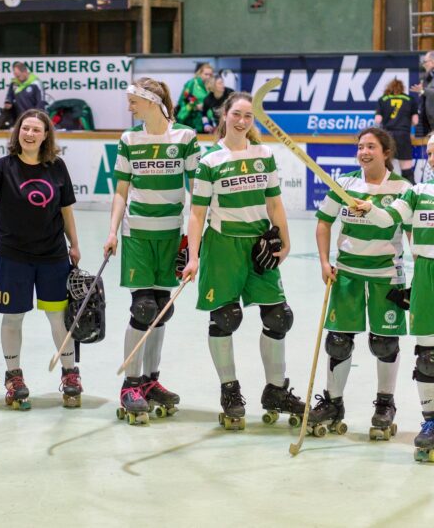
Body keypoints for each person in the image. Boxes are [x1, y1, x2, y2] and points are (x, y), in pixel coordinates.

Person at [182, 92, 305, 430]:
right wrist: (192, 257)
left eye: (248, 116)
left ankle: (276, 390)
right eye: (236, 114)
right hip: (223, 246)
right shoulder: (210, 161)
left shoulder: (264, 155)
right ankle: (230, 391)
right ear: (225, 115)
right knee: (225, 318)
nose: (241, 121)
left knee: (279, 317)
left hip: (258, 244)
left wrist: (286, 241)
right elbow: (197, 214)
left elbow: (274, 204)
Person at [0, 109, 81, 410]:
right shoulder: (4, 166)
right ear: (17, 132)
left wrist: (74, 244)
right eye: (25, 128)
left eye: (36, 130)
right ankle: (14, 377)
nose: (29, 134)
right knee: (13, 318)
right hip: (14, 257)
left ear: (45, 135)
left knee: (58, 317)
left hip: (53, 256)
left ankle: (70, 373)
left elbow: (66, 209)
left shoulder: (57, 167)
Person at [102, 77, 200, 424]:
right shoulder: (129, 139)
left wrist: (194, 241)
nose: (129, 107)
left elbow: (197, 191)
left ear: (152, 102)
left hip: (171, 234)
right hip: (137, 235)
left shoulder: (185, 137)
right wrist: (112, 231)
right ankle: (130, 385)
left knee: (161, 310)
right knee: (143, 308)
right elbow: (121, 190)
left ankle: (150, 381)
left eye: (134, 101)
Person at [307, 127, 411, 439]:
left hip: (386, 276)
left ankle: (385, 405)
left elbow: (411, 233)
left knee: (384, 343)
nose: (364, 152)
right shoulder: (345, 184)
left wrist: (420, 273)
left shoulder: (402, 188)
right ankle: (333, 403)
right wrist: (324, 261)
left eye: (371, 147)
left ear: (386, 152)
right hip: (347, 274)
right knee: (338, 341)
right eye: (360, 147)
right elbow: (324, 223)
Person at [357, 134, 434, 458]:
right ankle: (431, 422)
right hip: (426, 274)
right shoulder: (418, 192)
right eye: (430, 152)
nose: (433, 157)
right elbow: (390, 217)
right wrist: (369, 209)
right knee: (428, 356)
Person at [376, 78, 418, 185]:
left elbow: (378, 120)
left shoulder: (383, 99)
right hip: (403, 136)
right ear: (402, 88)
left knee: (387, 170)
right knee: (407, 171)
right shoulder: (410, 99)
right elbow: (415, 121)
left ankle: (385, 193)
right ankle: (411, 193)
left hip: (387, 137)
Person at [176, 62, 213, 133]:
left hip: (205, 118)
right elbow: (186, 94)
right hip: (191, 117)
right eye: (206, 74)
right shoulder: (193, 82)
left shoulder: (211, 85)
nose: (208, 77)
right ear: (200, 73)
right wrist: (196, 104)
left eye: (210, 75)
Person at [412, 51, 434, 136]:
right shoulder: (427, 77)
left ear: (432, 62)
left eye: (425, 62)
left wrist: (423, 90)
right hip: (426, 123)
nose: (423, 65)